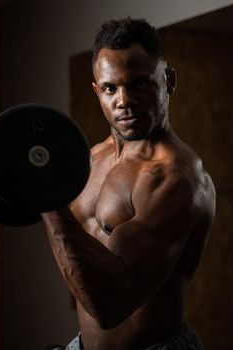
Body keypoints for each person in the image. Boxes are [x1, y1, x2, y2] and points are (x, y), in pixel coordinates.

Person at [41, 18, 216, 350]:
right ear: (97, 90)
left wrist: (47, 200)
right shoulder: (90, 160)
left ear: (169, 80)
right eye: (110, 88)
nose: (123, 100)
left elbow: (110, 307)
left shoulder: (176, 180)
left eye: (140, 84)